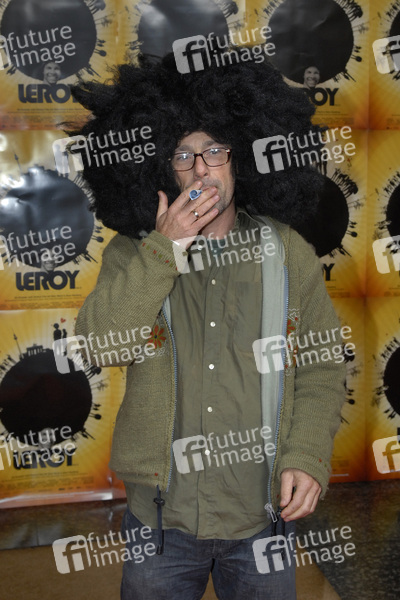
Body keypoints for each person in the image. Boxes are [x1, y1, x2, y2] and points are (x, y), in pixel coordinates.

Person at [72, 52, 346, 599]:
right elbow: (100, 345)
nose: (201, 169)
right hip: (161, 522)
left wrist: (307, 457)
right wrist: (164, 250)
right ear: (161, 170)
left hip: (262, 516)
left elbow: (321, 366)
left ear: (239, 159)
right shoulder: (134, 253)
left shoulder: (287, 252)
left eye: (215, 150)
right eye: (183, 155)